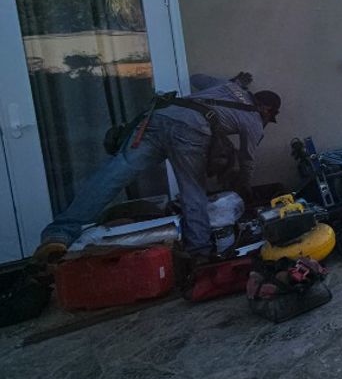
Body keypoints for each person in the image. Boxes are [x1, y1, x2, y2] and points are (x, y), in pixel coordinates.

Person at [33, 73, 281, 262]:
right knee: (193, 190)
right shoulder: (254, 120)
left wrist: (234, 83)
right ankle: (200, 254)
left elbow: (197, 79)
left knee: (114, 174)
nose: (267, 122)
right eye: (270, 118)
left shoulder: (231, 87)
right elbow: (248, 160)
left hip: (158, 118)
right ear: (267, 110)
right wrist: (245, 188)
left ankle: (60, 232)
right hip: (190, 132)